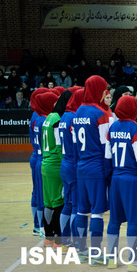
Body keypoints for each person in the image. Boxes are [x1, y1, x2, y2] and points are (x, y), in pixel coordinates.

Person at [107, 95, 137, 271]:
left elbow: (108, 155)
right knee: (133, 221)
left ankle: (112, 259)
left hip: (116, 178)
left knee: (114, 220)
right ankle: (134, 262)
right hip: (133, 180)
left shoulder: (112, 128)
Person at [72, 75, 112, 264]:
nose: (105, 92)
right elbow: (106, 147)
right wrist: (109, 172)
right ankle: (96, 254)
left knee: (82, 210)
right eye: (104, 88)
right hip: (97, 168)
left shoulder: (77, 111)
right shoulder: (100, 113)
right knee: (97, 211)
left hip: (81, 167)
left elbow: (74, 145)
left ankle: (81, 250)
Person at [41, 90, 69, 247]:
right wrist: (65, 162)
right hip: (55, 165)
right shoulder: (58, 119)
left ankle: (48, 237)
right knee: (59, 202)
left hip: (46, 163)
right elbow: (59, 146)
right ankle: (58, 240)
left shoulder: (49, 117)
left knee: (48, 203)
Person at [59, 88, 84, 248]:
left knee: (67, 204)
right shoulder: (74, 118)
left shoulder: (64, 117)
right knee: (76, 205)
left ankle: (65, 238)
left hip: (65, 164)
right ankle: (76, 241)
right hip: (74, 166)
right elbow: (77, 147)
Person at [28, 87, 50, 236]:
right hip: (43, 158)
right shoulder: (44, 119)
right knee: (43, 195)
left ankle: (37, 225)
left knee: (36, 193)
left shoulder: (34, 116)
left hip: (35, 155)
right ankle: (42, 226)